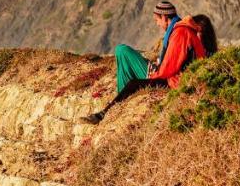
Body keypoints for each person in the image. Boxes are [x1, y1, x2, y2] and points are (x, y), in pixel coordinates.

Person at [81, 11, 217, 124]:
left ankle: (104, 113)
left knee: (134, 83)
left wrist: (156, 74)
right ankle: (106, 111)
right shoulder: (200, 48)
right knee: (134, 82)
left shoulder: (200, 49)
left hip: (174, 83)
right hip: (174, 80)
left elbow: (171, 68)